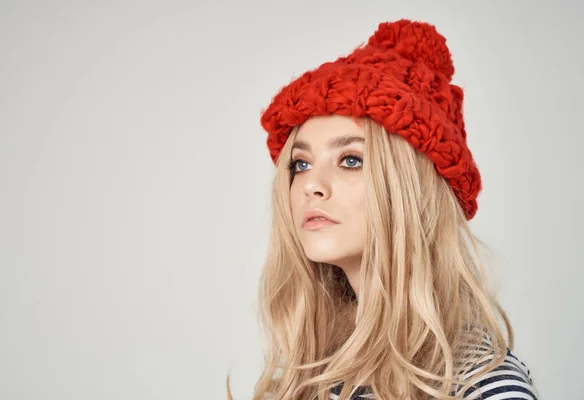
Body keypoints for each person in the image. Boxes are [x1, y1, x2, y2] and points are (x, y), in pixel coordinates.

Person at [227, 19, 540, 399]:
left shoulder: (480, 386)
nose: (310, 185)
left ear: (413, 188)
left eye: (351, 160)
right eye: (301, 164)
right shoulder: (316, 374)